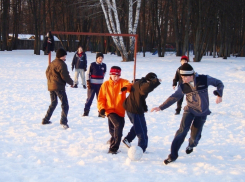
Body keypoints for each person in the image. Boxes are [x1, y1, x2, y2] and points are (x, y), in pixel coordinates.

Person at [151, 63, 224, 165]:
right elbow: (174, 97)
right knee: (181, 131)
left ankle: (191, 145)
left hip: (202, 112)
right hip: (189, 110)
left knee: (195, 136)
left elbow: (219, 83)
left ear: (191, 75)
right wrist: (161, 107)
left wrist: (219, 94)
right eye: (181, 77)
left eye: (184, 77)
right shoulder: (183, 86)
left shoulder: (204, 79)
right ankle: (173, 155)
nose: (183, 79)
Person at [122, 73, 161, 153]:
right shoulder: (143, 85)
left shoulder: (140, 82)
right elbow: (147, 87)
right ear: (150, 80)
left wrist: (144, 107)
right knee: (141, 131)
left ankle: (127, 139)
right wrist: (156, 82)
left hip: (136, 109)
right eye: (152, 81)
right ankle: (141, 149)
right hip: (133, 110)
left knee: (139, 126)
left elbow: (140, 97)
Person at [97, 66, 132, 154]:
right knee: (118, 125)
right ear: (110, 75)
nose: (116, 78)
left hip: (120, 111)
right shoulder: (105, 84)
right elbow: (101, 98)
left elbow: (130, 85)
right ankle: (113, 149)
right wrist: (101, 108)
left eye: (117, 76)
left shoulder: (122, 82)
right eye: (114, 76)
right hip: (110, 110)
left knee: (116, 129)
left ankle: (113, 138)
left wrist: (126, 88)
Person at [42, 48, 74, 129]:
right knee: (65, 104)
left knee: (53, 103)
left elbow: (47, 73)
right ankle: (63, 121)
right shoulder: (61, 64)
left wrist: (51, 81)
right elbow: (65, 76)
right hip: (58, 87)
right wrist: (72, 82)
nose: (65, 57)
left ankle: (46, 119)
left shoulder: (52, 63)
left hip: (51, 86)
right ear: (61, 56)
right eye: (64, 55)